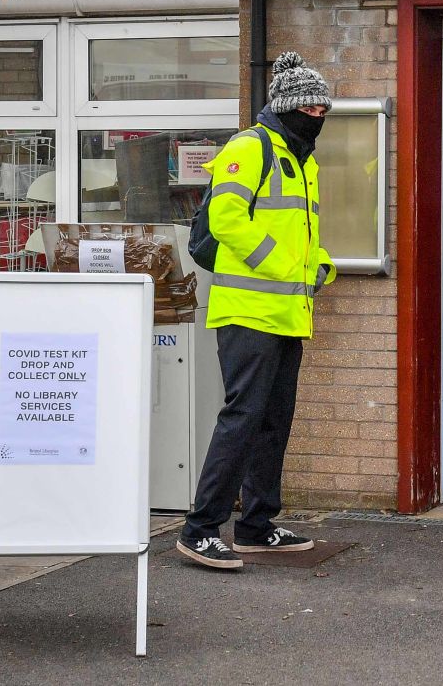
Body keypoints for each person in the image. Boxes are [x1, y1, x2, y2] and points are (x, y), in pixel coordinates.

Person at [178, 51, 337, 570]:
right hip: (246, 312)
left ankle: (255, 524)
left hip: (287, 314)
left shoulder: (301, 161)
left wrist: (320, 266)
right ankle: (200, 528)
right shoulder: (251, 147)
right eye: (311, 109)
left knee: (274, 421)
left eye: (323, 111)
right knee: (242, 420)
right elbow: (225, 220)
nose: (318, 118)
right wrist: (283, 265)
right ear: (288, 107)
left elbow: (303, 231)